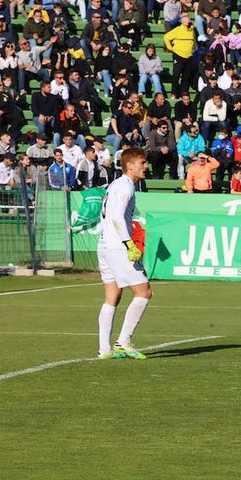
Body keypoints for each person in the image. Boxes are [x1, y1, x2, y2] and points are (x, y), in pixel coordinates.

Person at [96, 148, 152, 361]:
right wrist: (130, 244)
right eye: (142, 163)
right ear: (130, 166)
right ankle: (123, 342)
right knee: (144, 292)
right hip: (118, 246)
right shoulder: (126, 186)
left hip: (104, 245)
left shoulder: (115, 184)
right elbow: (118, 218)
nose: (145, 166)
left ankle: (105, 350)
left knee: (112, 297)